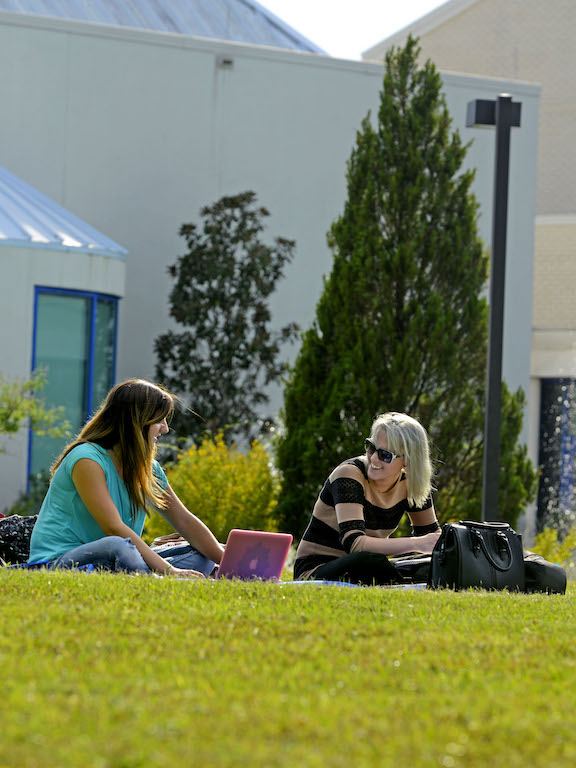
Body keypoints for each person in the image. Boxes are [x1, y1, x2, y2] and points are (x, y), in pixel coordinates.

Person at [28, 379, 224, 578]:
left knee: (201, 554)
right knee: (118, 546)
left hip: (122, 557)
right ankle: (160, 577)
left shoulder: (148, 469)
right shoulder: (87, 459)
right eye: (159, 420)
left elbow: (184, 521)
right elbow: (113, 528)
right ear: (136, 422)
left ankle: (152, 575)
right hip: (61, 561)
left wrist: (229, 561)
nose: (165, 429)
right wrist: (170, 570)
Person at [293, 412, 441, 585]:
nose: (374, 458)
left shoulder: (411, 483)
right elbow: (354, 544)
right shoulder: (349, 474)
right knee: (369, 561)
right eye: (371, 448)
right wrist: (417, 544)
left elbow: (431, 536)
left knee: (429, 566)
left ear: (407, 461)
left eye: (385, 455)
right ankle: (402, 586)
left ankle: (405, 583)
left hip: (363, 567)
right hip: (316, 569)